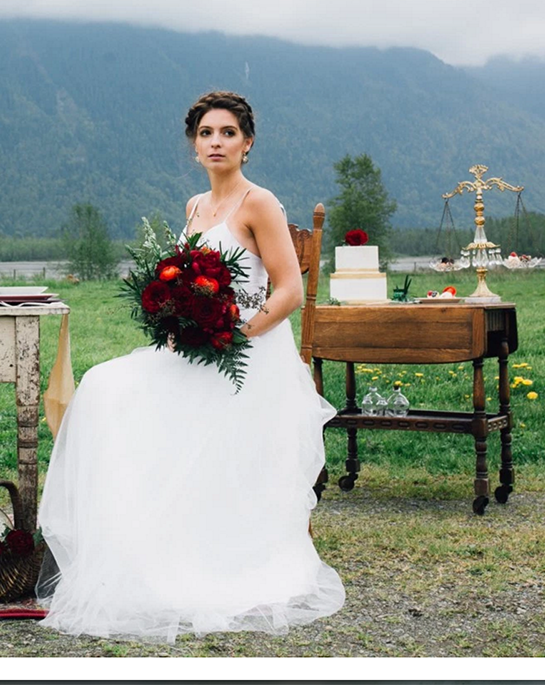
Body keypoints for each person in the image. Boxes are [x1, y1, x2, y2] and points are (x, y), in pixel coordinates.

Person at [36, 90, 344, 640]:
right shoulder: (194, 207)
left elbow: (290, 289)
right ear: (193, 147)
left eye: (227, 133)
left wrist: (233, 334)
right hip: (195, 347)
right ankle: (135, 545)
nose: (216, 142)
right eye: (206, 134)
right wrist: (177, 322)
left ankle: (209, 554)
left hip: (246, 352)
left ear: (247, 144)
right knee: (104, 386)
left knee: (127, 393)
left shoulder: (259, 203)